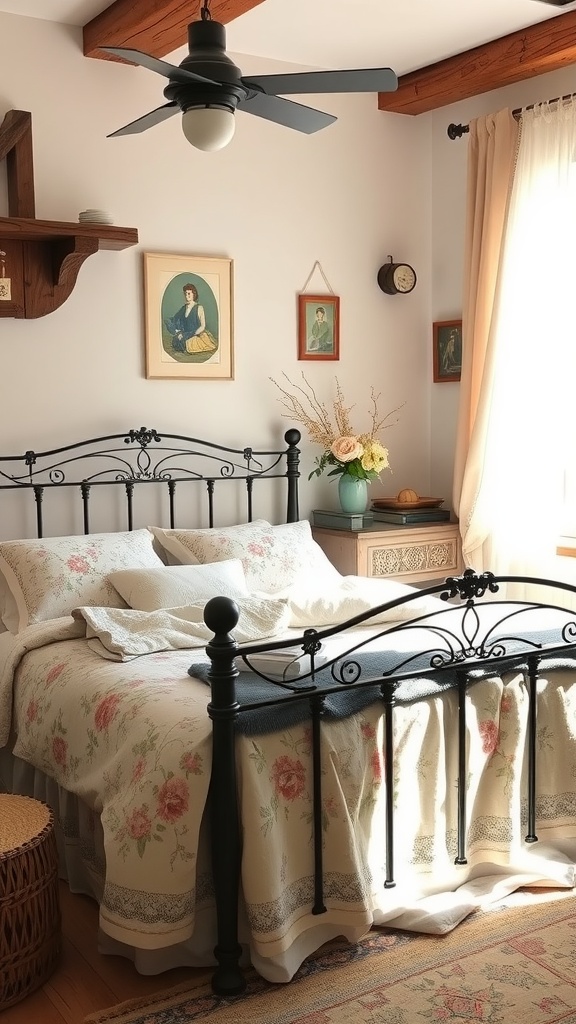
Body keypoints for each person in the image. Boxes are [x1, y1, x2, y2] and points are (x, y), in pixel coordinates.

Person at [165, 283, 218, 355]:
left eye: (189, 293)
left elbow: (202, 326)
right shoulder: (183, 308)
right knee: (177, 342)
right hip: (185, 334)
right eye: (185, 294)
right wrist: (178, 332)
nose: (187, 296)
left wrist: (190, 334)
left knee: (188, 345)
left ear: (194, 294)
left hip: (196, 334)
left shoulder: (199, 308)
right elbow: (175, 320)